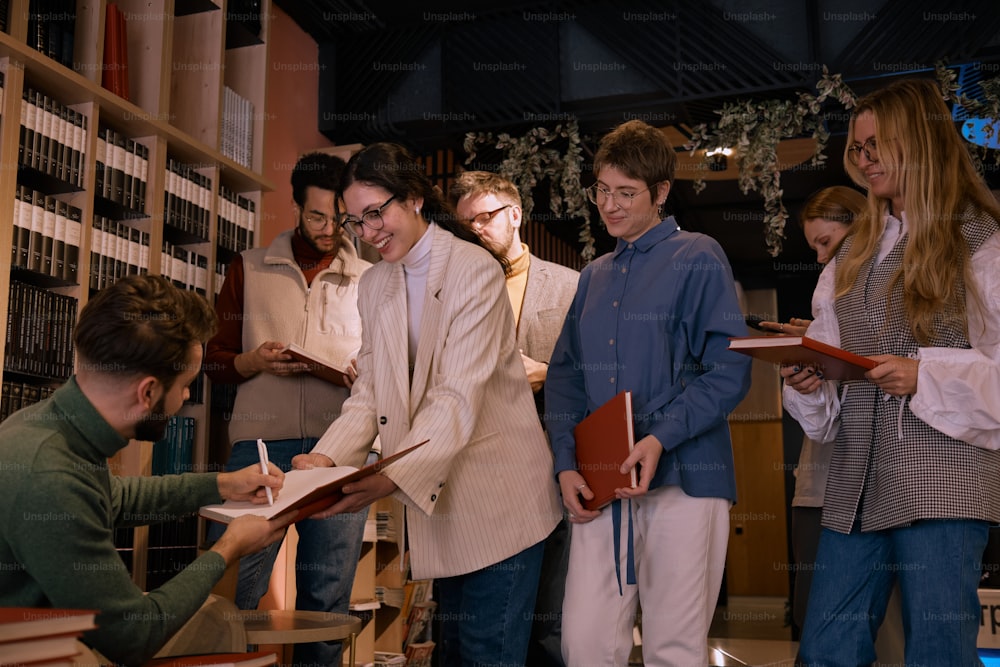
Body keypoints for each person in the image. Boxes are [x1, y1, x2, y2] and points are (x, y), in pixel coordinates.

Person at [291, 142, 563, 667]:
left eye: (376, 213)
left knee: (488, 656)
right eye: (356, 221)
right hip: (444, 506)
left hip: (503, 504)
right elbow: (368, 392)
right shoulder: (375, 286)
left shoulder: (473, 270)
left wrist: (388, 478)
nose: (368, 233)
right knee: (457, 654)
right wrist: (324, 462)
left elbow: (457, 396)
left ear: (414, 198)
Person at [782, 77, 1000, 666]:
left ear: (923, 143)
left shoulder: (982, 241)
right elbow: (827, 407)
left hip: (944, 479)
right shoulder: (852, 257)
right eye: (858, 148)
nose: (865, 159)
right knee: (825, 650)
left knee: (936, 653)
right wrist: (808, 379)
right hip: (854, 479)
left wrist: (922, 375)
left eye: (878, 144)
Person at [544, 119, 752, 666]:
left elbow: (729, 370)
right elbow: (565, 378)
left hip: (686, 479)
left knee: (674, 649)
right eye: (602, 191)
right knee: (584, 646)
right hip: (601, 483)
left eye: (626, 194)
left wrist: (659, 437)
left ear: (660, 193)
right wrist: (565, 462)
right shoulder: (593, 275)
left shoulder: (699, 256)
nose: (609, 206)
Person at [0, 274, 291, 666]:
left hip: (49, 629)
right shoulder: (50, 476)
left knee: (217, 617)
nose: (187, 396)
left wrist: (223, 484)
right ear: (148, 393)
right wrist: (229, 548)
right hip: (28, 646)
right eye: (186, 385)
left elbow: (112, 498)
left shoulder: (51, 424)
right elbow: (130, 638)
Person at [203, 151, 372, 667]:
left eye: (339, 218)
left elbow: (385, 372)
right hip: (258, 450)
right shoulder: (249, 268)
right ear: (297, 208)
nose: (329, 228)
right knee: (231, 594)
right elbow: (214, 360)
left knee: (326, 603)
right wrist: (252, 359)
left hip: (337, 455)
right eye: (317, 216)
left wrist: (359, 374)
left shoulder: (372, 279)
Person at [451, 170, 579, 666]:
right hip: (471, 468)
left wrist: (547, 374)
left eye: (483, 218)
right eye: (465, 225)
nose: (476, 231)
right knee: (473, 624)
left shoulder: (570, 285)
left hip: (549, 461)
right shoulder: (453, 290)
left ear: (516, 214)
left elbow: (598, 374)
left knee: (549, 620)